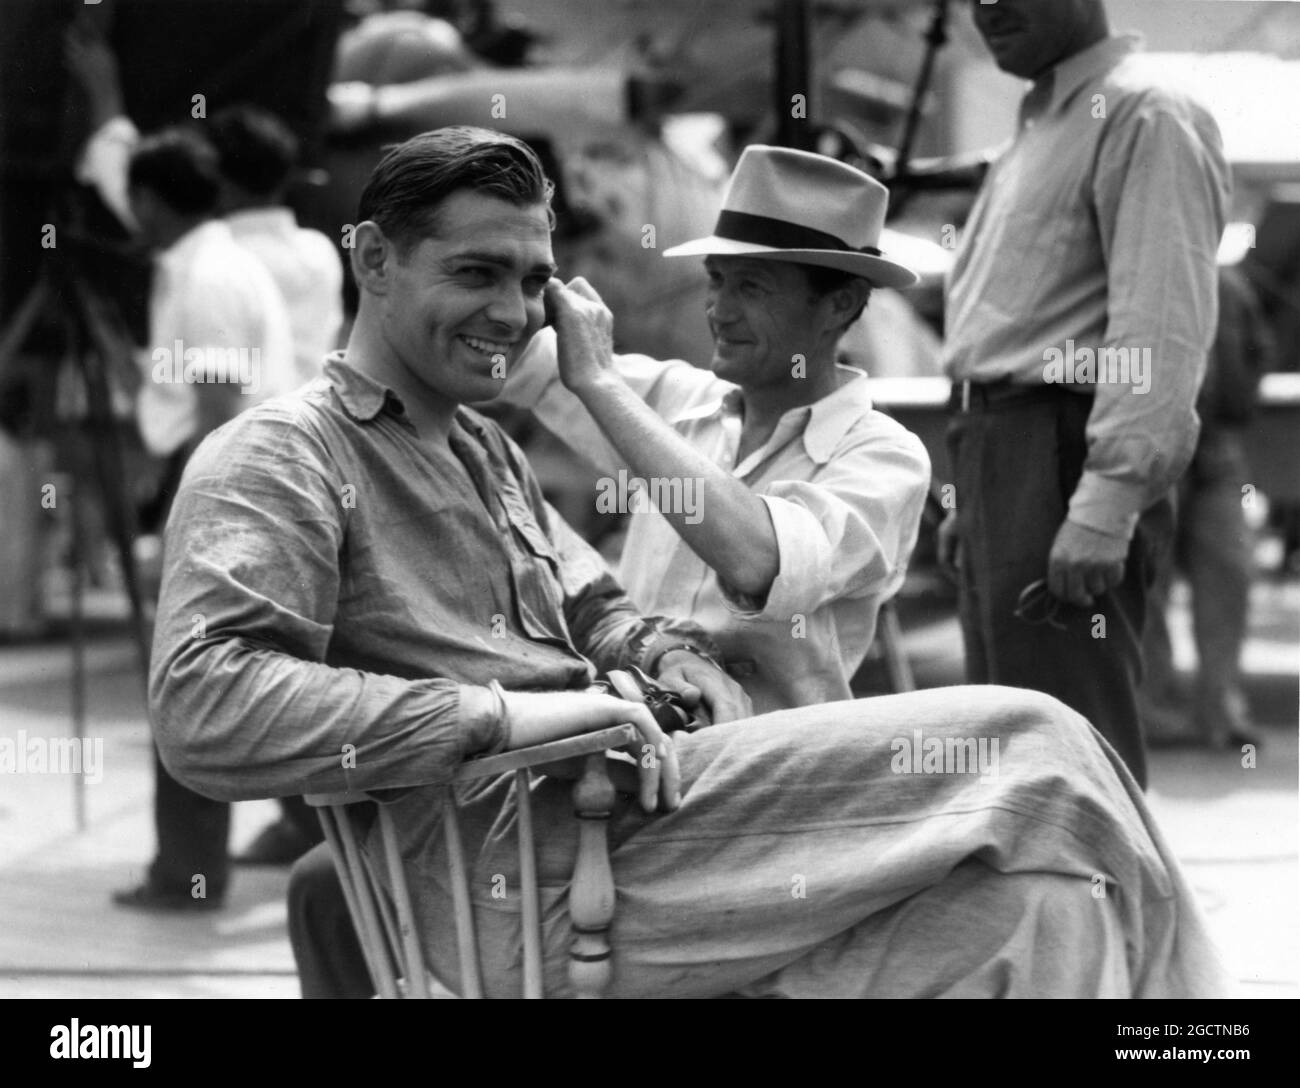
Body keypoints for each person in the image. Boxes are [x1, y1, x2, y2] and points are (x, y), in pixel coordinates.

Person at [150, 126, 1229, 998]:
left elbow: (606, 591)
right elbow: (204, 705)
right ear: (371, 260)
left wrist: (656, 652)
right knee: (1040, 738)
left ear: (840, 307)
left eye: (531, 279)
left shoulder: (483, 448)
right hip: (541, 854)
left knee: (1049, 907)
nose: (511, 309)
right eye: (477, 271)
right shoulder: (282, 449)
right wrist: (518, 714)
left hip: (650, 811)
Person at [501, 145, 932, 714]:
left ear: (838, 304)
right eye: (717, 280)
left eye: (751, 288)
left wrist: (601, 384)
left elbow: (761, 561)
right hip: (639, 737)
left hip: (772, 765)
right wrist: (515, 284)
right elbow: (510, 358)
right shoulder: (678, 400)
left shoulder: (885, 458)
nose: (719, 310)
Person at [937, 0, 1231, 788]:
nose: (986, 8)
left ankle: (1126, 912)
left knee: (1072, 758)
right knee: (1017, 753)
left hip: (1061, 449)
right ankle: (1065, 914)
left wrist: (1107, 501)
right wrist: (975, 496)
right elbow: (1006, 327)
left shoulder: (1147, 113)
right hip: (1006, 451)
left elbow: (1160, 329)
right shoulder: (1038, 127)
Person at [104, 126, 295, 912]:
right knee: (249, 685)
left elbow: (218, 408)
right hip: (246, 493)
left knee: (188, 688)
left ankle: (186, 871)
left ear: (149, 201)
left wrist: (189, 522)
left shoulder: (209, 274)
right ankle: (272, 848)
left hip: (228, 496)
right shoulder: (209, 263)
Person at [207, 104, 348, 864]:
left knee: (239, 651)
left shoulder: (216, 253)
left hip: (249, 466)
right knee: (309, 652)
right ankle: (308, 822)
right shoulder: (319, 251)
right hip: (320, 461)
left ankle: (204, 852)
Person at [1139, 265, 1272, 749]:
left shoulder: (1231, 285)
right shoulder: (1142, 274)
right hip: (1155, 441)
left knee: (1229, 570)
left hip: (1218, 445)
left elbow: (1259, 350)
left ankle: (1222, 704)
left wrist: (1240, 401)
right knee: (1150, 577)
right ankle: (1154, 708)